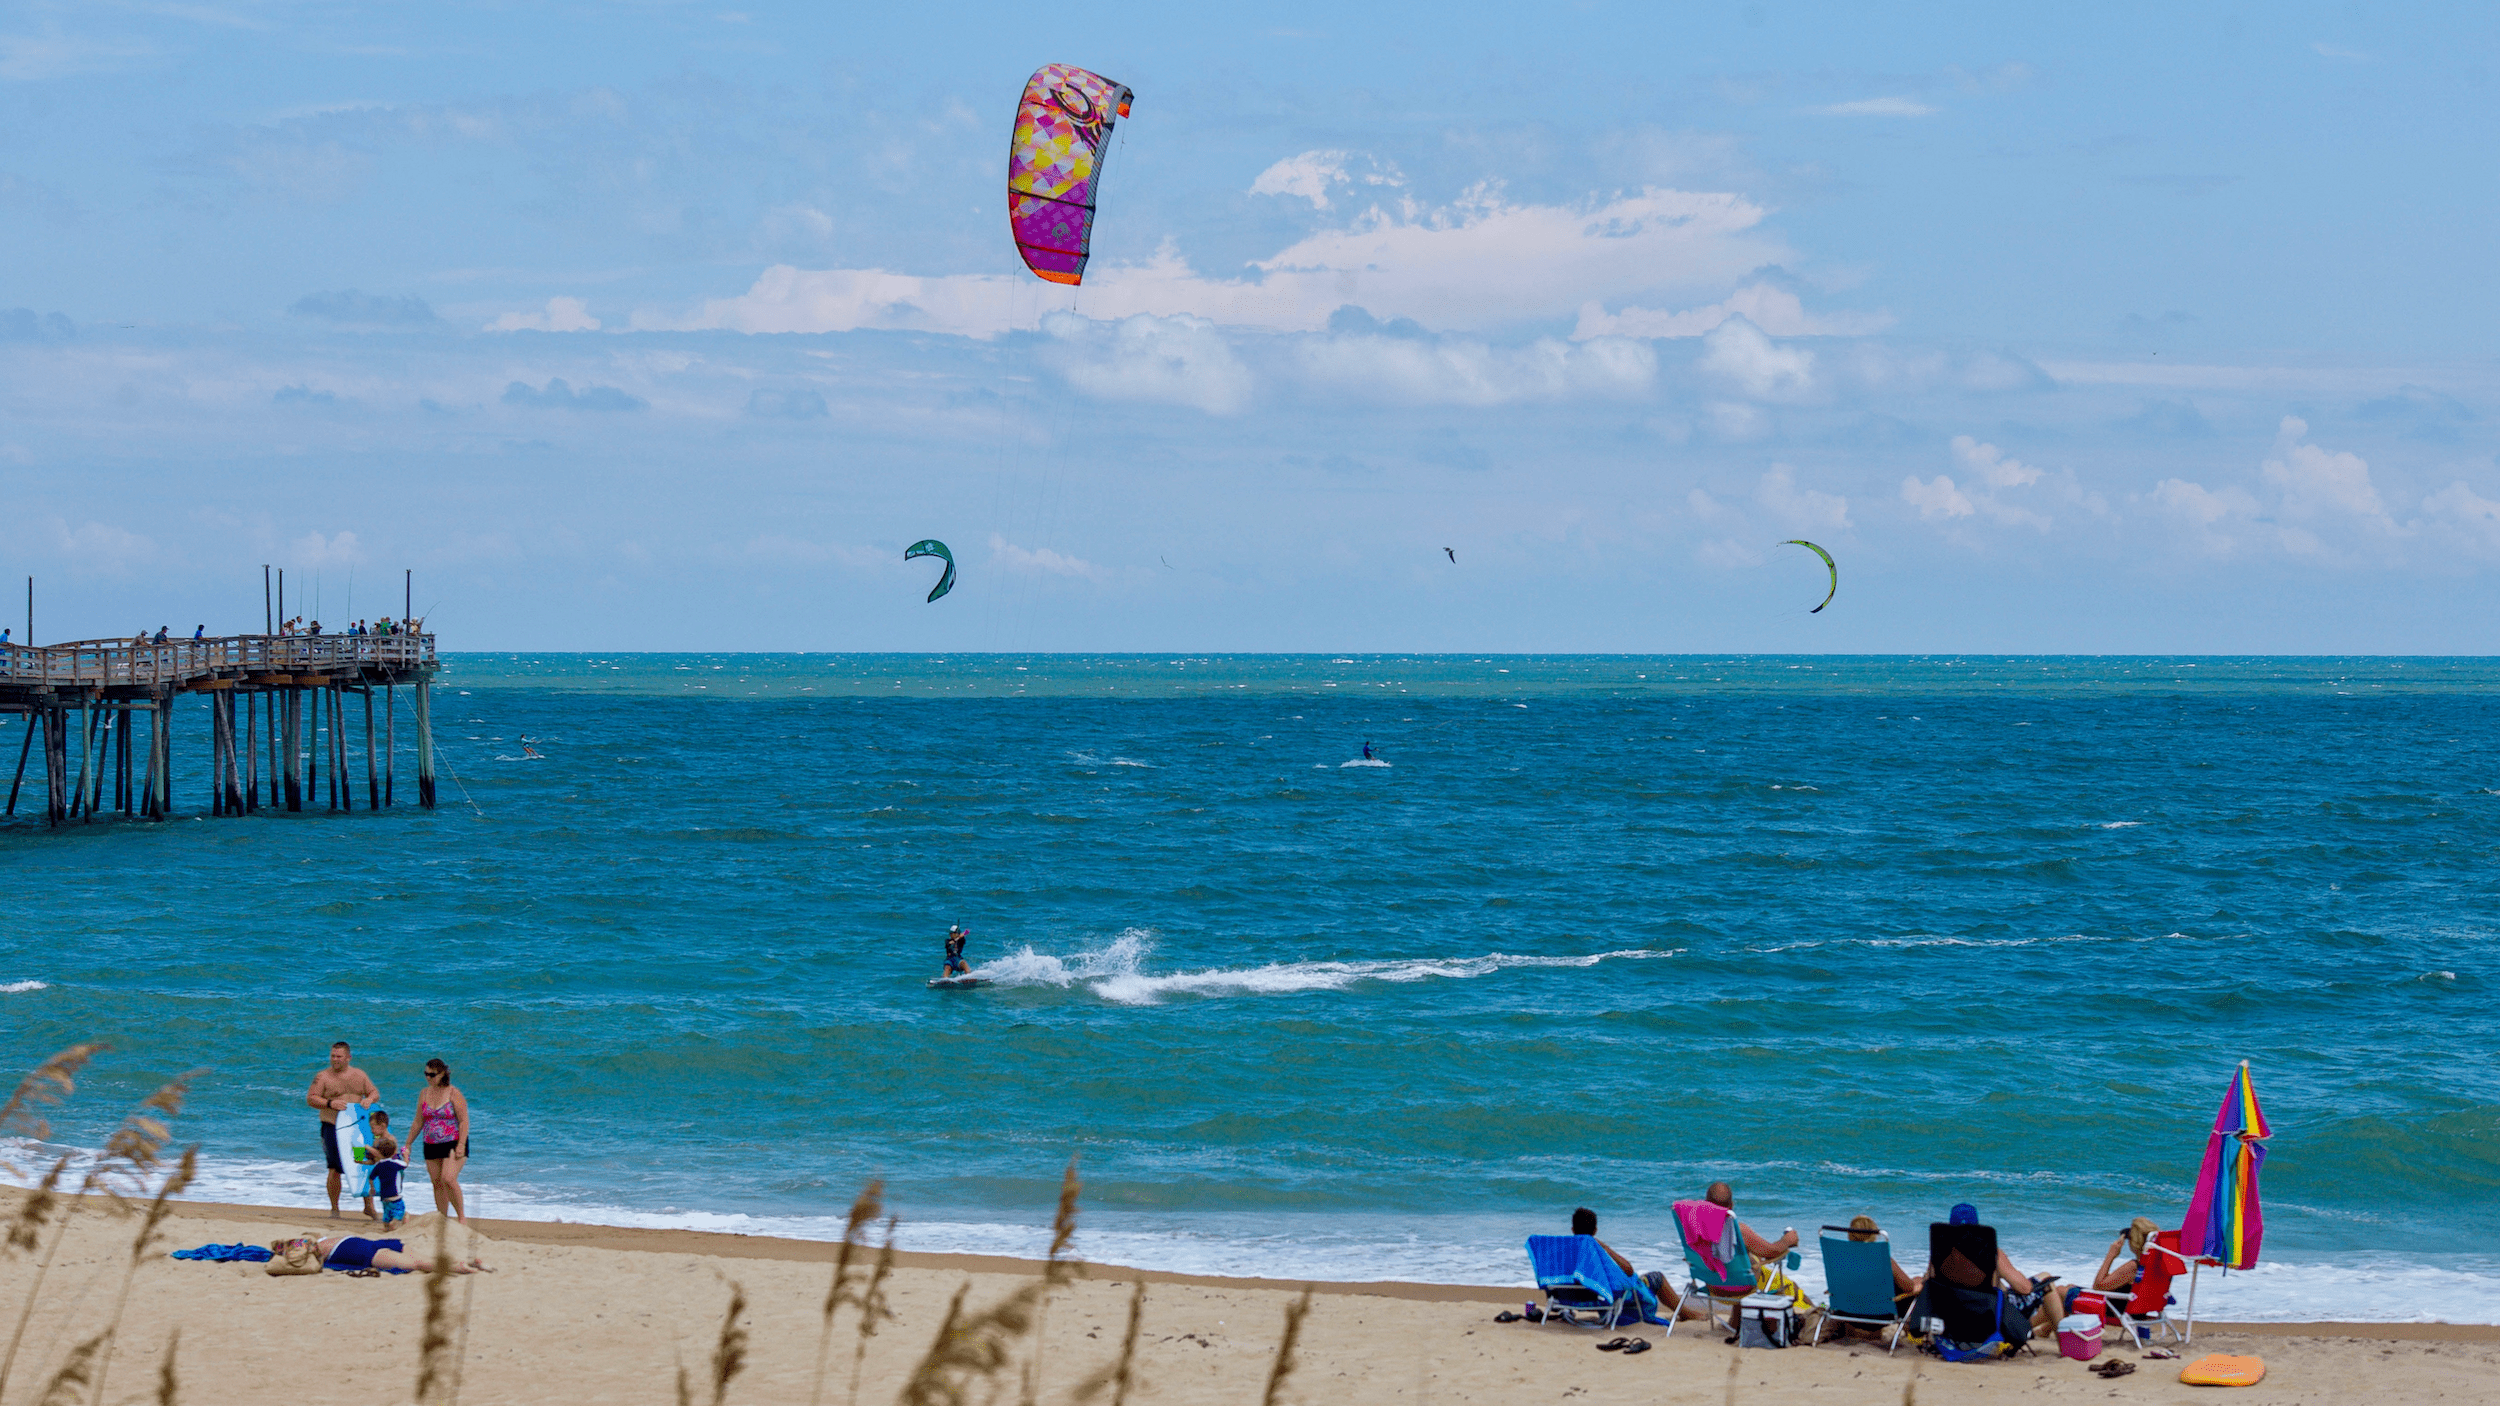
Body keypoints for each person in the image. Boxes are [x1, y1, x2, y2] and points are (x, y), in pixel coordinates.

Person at [1704, 1181, 1816, 1318]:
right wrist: (1787, 1240)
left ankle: (1736, 1321)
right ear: (1731, 1206)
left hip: (1714, 1288)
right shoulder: (1739, 1231)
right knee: (1792, 1288)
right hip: (1742, 1290)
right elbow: (1772, 1252)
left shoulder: (1695, 1229)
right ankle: (1817, 1312)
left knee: (1748, 1260)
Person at [305, 1041, 380, 1220]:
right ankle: (335, 1209)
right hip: (332, 1127)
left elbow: (374, 1092)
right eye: (332, 1056)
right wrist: (330, 1103)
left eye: (339, 1056)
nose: (335, 1059)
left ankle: (369, 1207)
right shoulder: (323, 1077)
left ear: (348, 1058)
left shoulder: (359, 1075)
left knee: (362, 1163)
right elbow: (311, 1098)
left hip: (355, 1128)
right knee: (334, 1168)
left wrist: (369, 1099)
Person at [1571, 1206, 1681, 1320]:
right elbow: (1628, 1270)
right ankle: (1687, 1314)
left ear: (1573, 1229)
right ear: (1595, 1231)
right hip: (1609, 1295)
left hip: (1579, 1296)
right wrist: (1605, 1247)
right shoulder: (1598, 1251)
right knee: (1657, 1277)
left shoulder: (1565, 1255)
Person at [416, 1057, 472, 1221]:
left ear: (442, 1074)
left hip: (452, 1142)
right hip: (430, 1143)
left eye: (432, 1075)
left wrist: (461, 1144)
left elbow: (464, 1120)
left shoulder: (454, 1093)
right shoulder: (424, 1093)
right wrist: (407, 1144)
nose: (428, 1077)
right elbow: (418, 1121)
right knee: (436, 1183)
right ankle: (443, 1218)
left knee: (448, 1178)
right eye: (426, 1074)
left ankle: (461, 1217)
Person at [287, 1234, 490, 1275]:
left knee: (419, 1262)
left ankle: (461, 1267)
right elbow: (305, 1239)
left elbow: (304, 1258)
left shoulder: (317, 1251)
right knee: (422, 1259)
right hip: (375, 1245)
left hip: (370, 1252)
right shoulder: (323, 1241)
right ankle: (464, 1264)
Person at [1847, 1214, 1923, 1300]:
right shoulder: (1882, 1258)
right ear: (1873, 1234)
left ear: (1849, 1234)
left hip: (1847, 1308)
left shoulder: (1841, 1259)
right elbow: (1909, 1288)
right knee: (1920, 1282)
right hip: (1879, 1310)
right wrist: (1920, 1282)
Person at [370, 1132, 409, 1229]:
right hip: (395, 1196)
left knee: (387, 1214)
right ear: (394, 1153)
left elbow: (371, 1177)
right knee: (402, 1212)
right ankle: (395, 1222)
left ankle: (386, 1225)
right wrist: (406, 1155)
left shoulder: (379, 1165)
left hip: (384, 1197)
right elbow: (405, 1164)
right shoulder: (395, 1164)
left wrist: (372, 1188)